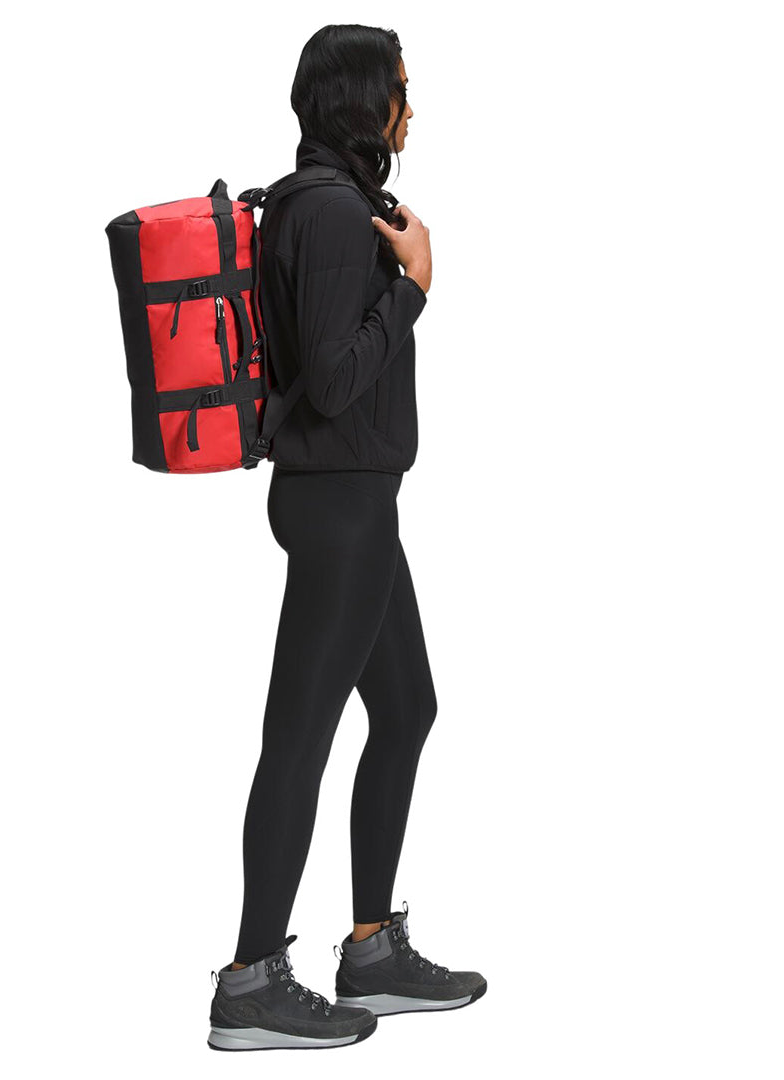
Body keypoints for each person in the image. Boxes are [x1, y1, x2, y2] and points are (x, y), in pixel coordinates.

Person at [207, 25, 486, 1052]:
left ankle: (370, 952)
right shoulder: (328, 213)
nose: (413, 107)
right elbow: (330, 380)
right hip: (339, 506)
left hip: (354, 500)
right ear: (368, 102)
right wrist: (413, 286)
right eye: (402, 89)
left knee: (405, 709)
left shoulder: (328, 200)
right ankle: (250, 981)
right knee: (300, 739)